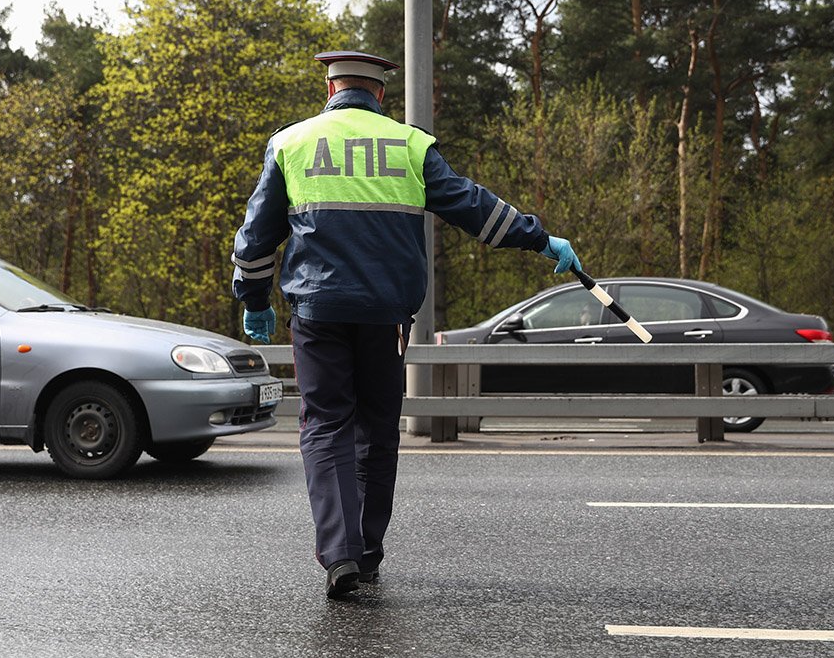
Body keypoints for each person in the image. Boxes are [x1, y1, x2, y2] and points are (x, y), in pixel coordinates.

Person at [231, 50, 581, 598]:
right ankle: (366, 554)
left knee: (326, 426)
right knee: (376, 428)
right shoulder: (410, 145)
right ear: (381, 95)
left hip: (318, 314)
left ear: (330, 91)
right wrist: (539, 238)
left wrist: (253, 298)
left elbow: (256, 236)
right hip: (387, 317)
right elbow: (474, 208)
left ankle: (339, 554)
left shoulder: (291, 143)